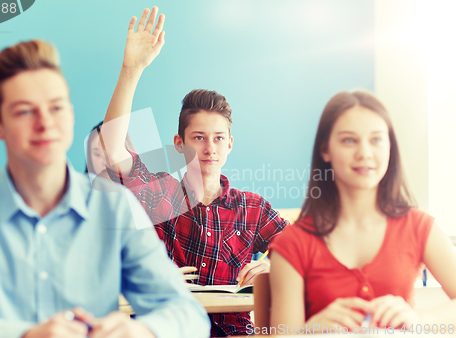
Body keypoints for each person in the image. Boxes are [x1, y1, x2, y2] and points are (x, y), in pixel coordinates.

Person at [0, 39, 210, 338]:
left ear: (71, 115)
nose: (45, 123)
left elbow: (188, 315)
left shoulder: (115, 207)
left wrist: (141, 331)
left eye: (56, 107)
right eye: (25, 111)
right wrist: (26, 335)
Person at [98, 7, 288, 336]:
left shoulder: (252, 208)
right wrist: (132, 70)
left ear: (230, 144)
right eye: (198, 138)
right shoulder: (159, 193)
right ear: (179, 143)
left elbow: (300, 244)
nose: (208, 148)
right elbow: (113, 152)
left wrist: (272, 265)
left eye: (217, 138)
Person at [269, 91, 456, 333]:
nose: (365, 153)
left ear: (390, 147)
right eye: (349, 140)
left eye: (376, 140)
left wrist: (417, 319)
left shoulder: (418, 227)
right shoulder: (293, 243)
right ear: (325, 149)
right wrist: (308, 331)